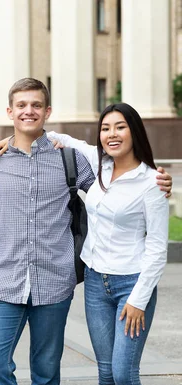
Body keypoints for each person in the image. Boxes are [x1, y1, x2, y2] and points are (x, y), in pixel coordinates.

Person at [0, 78, 173, 385]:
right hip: (5, 281)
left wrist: (157, 185)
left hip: (54, 282)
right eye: (22, 106)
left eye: (37, 105)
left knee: (48, 371)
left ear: (48, 110)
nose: (29, 111)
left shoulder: (70, 159)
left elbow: (111, 198)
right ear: (9, 112)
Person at [46, 104, 169, 384]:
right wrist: (5, 142)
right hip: (95, 283)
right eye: (105, 128)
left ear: (134, 131)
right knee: (105, 371)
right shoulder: (98, 164)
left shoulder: (152, 182)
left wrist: (138, 300)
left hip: (132, 284)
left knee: (123, 373)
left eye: (120, 127)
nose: (111, 134)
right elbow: (60, 137)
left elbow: (158, 248)